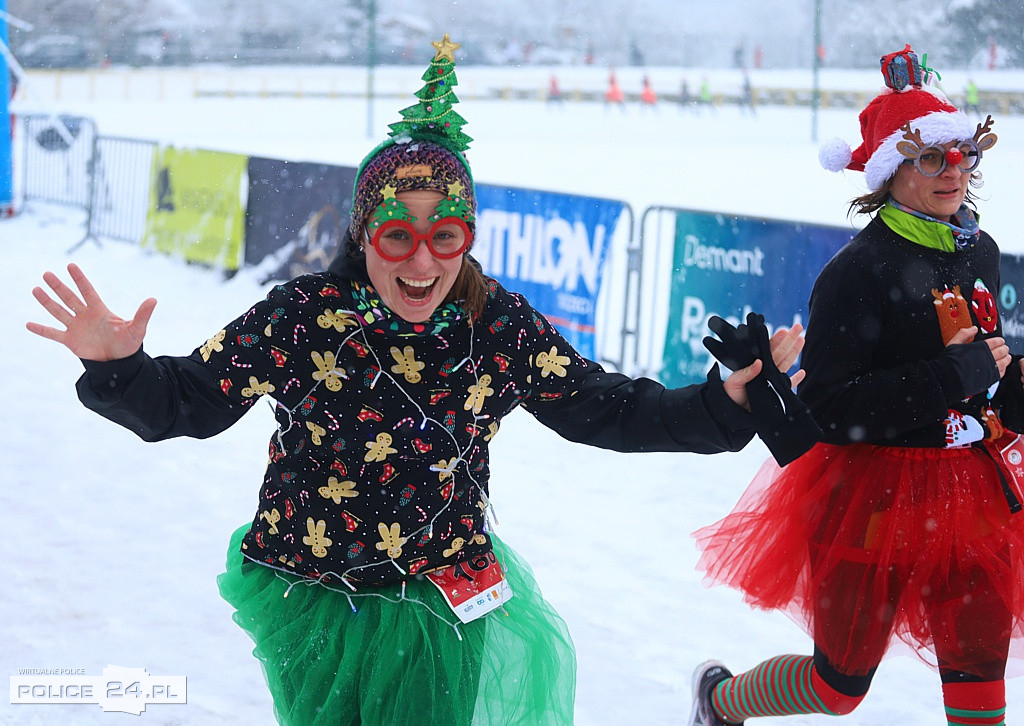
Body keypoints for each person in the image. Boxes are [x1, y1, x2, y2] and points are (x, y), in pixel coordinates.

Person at [27, 35, 816, 726]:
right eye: (397, 234)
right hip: (313, 592)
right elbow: (186, 403)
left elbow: (605, 410)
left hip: (440, 600)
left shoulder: (497, 326)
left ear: (466, 238)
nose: (422, 260)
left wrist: (725, 403)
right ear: (364, 235)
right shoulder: (304, 318)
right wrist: (120, 368)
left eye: (445, 234)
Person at [688, 45, 1024, 726]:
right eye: (932, 158)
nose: (952, 171)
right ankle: (719, 703)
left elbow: (988, 370)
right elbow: (832, 409)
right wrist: (948, 376)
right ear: (889, 172)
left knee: (980, 672)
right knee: (839, 685)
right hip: (875, 493)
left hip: (973, 488)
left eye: (963, 155)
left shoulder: (978, 249)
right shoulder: (858, 271)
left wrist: (1009, 384)